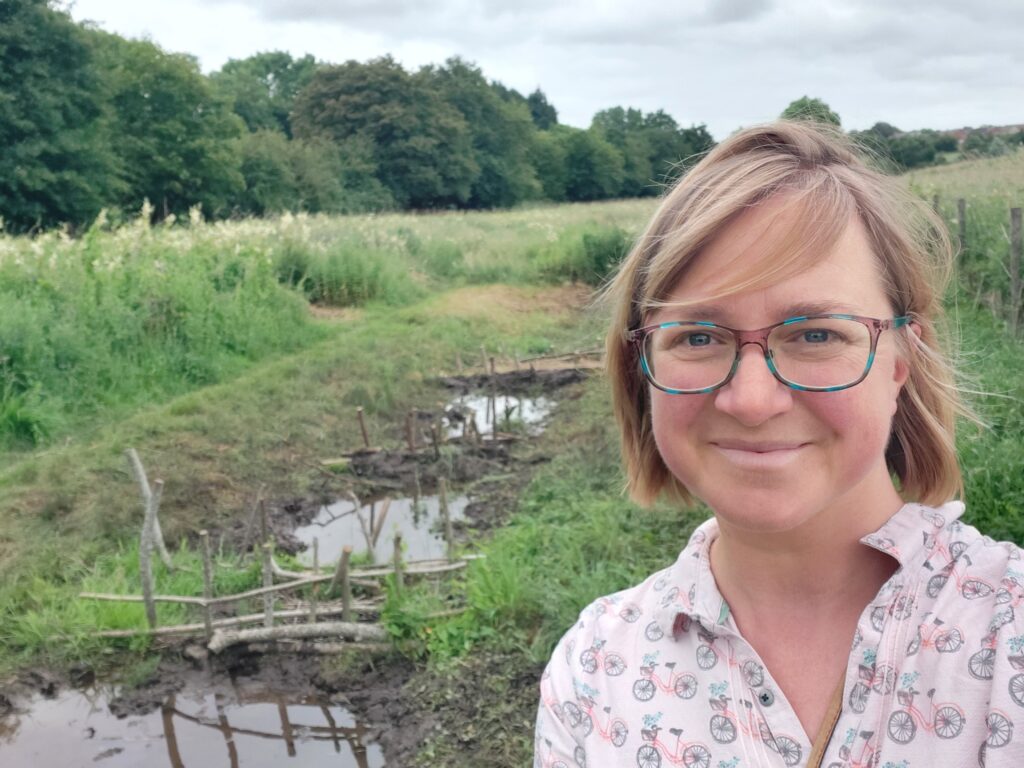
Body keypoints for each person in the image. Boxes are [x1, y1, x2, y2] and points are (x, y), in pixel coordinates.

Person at [534, 120, 1024, 768]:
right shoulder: (594, 669)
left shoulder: (1006, 630)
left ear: (902, 360)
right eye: (699, 337)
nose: (752, 400)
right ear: (641, 366)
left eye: (817, 334)